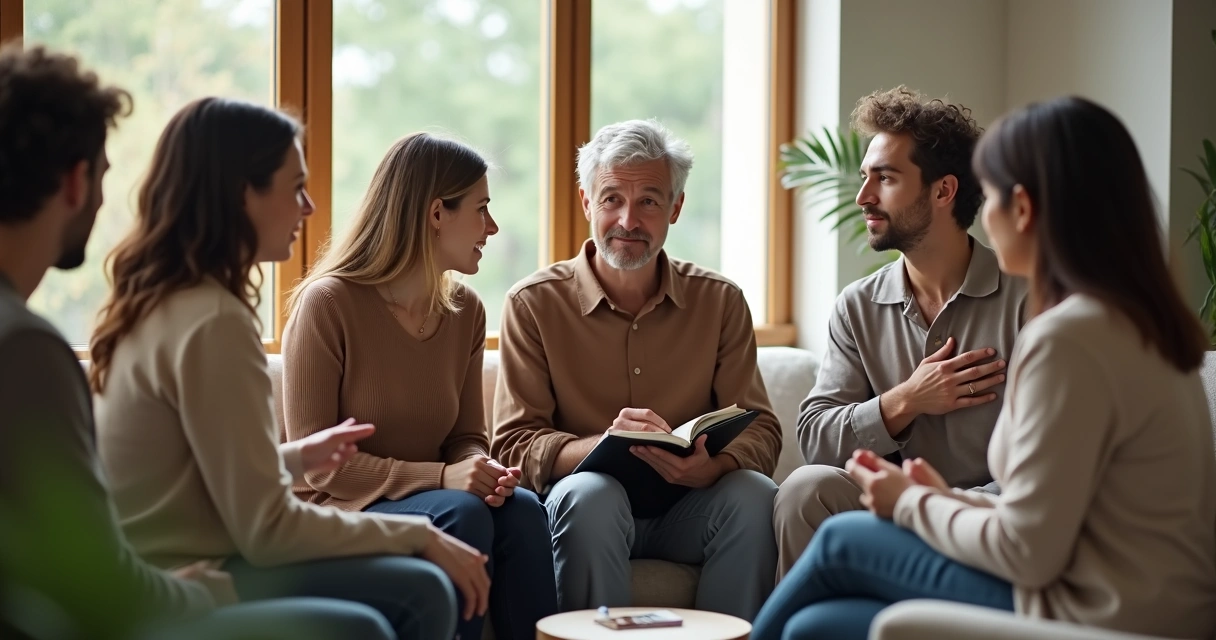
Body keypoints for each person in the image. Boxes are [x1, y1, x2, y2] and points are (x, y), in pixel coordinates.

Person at [752, 96, 1216, 640]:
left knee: (840, 545)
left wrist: (915, 502)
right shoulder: (1138, 324)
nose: (985, 217)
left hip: (1092, 606)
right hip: (1121, 594)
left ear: (1022, 208)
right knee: (816, 625)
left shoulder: (1065, 335)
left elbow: (1028, 548)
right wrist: (907, 414)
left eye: (991, 195)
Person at [0, 43, 400, 640]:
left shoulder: (131, 309)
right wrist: (192, 594)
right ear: (78, 181)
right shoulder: (27, 349)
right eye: (106, 175)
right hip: (120, 606)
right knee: (390, 607)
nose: (308, 209)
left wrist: (288, 460)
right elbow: (93, 577)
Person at [88, 97, 494, 640]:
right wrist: (417, 537)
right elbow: (266, 529)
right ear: (242, 195)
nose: (308, 207)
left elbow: (194, 473)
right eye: (294, 187)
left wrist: (292, 458)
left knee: (424, 584)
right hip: (184, 572)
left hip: (193, 551)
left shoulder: (170, 301)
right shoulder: (215, 321)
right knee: (416, 592)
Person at [491, 118, 781, 620]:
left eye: (649, 200)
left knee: (754, 493)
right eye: (611, 199)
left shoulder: (721, 301)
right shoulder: (532, 303)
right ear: (587, 203)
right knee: (592, 493)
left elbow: (762, 427)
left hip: (690, 510)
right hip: (588, 508)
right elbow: (514, 443)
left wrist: (716, 466)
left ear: (675, 207)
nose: (628, 220)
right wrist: (601, 444)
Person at [282, 131, 558, 640]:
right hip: (340, 506)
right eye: (481, 209)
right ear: (436, 214)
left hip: (438, 494)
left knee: (521, 509)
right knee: (462, 511)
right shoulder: (327, 305)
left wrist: (482, 468)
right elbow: (319, 472)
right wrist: (442, 479)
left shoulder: (466, 311)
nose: (492, 227)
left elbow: (466, 435)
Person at [773, 86, 1025, 580]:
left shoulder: (1029, 301)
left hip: (986, 520)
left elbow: (1045, 470)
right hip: (882, 511)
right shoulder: (857, 306)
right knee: (806, 487)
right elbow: (817, 440)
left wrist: (936, 505)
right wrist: (903, 402)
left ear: (943, 190)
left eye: (885, 178)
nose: (864, 196)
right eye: (866, 177)